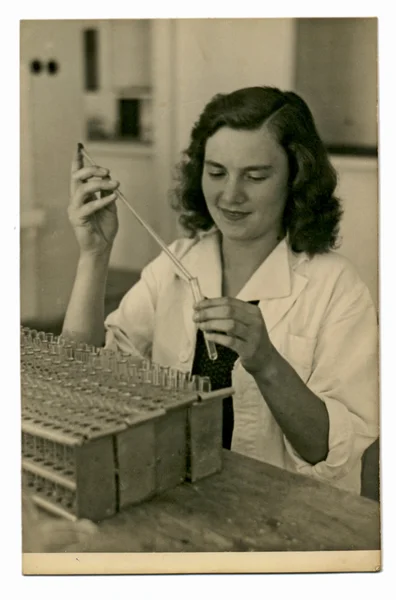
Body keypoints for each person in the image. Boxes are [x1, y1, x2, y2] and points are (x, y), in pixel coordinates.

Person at [63, 86, 378, 495]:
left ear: (295, 178)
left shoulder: (337, 287)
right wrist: (95, 254)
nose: (230, 196)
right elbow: (81, 381)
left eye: (255, 175)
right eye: (216, 172)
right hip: (179, 498)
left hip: (288, 516)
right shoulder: (176, 265)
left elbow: (330, 452)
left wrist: (266, 362)